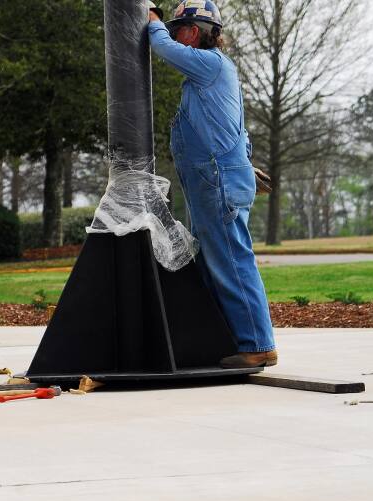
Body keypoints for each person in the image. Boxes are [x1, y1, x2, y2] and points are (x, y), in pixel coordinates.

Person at [148, 1, 277, 369]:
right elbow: (235, 129)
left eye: (178, 30)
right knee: (215, 262)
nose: (175, 36)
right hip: (217, 179)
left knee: (232, 261)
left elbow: (163, 49)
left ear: (193, 31)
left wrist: (153, 22)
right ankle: (233, 340)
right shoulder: (214, 76)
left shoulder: (211, 64)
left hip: (217, 180)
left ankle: (257, 344)